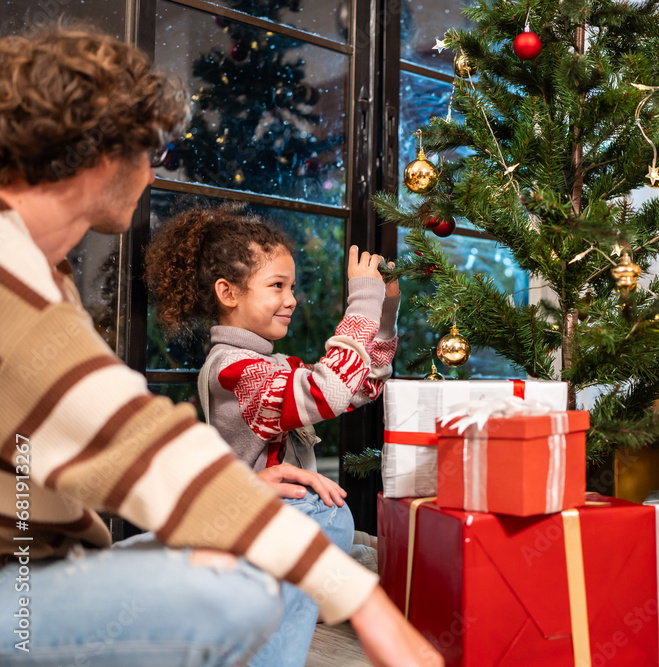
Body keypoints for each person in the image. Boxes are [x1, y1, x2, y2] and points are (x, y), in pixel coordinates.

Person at [0, 23, 440, 667]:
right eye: (154, 147)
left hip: (44, 563)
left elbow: (53, 453)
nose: (157, 167)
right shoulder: (15, 277)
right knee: (237, 596)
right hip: (21, 586)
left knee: (290, 536)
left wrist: (241, 497)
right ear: (102, 151)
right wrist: (364, 602)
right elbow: (135, 439)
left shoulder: (43, 272)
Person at [144, 205, 399, 660]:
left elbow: (360, 388)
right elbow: (328, 394)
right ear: (228, 292)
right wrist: (361, 302)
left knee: (358, 537)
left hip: (269, 524)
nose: (292, 299)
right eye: (277, 286)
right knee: (333, 518)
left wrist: (384, 314)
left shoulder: (271, 365)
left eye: (293, 287)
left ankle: (319, 581)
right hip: (248, 524)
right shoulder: (232, 370)